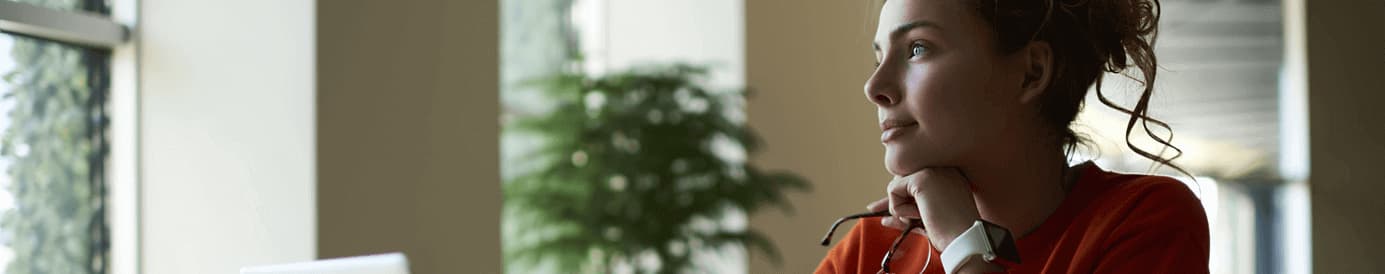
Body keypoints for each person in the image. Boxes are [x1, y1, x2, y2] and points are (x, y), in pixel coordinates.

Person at [814, 0, 1210, 273]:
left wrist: (964, 248)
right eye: (878, 56)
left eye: (918, 48)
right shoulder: (871, 248)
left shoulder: (1143, 221)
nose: (874, 86)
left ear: (1031, 73)